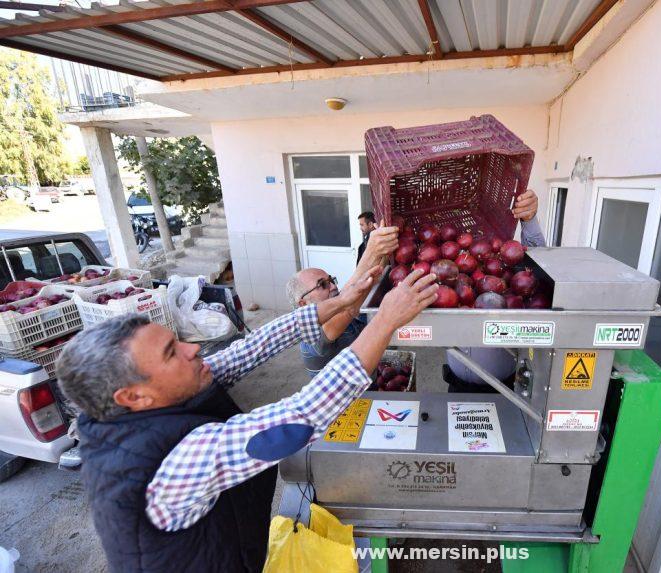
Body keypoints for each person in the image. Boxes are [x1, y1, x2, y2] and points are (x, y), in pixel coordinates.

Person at [56, 267, 438, 573]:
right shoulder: (172, 462)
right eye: (172, 352)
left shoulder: (144, 404)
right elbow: (300, 416)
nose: (193, 349)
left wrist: (343, 301)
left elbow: (254, 346)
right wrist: (384, 321)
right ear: (134, 395)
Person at [444, 188, 546, 392]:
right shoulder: (453, 268)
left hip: (505, 389)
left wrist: (529, 220)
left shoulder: (505, 265)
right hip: (456, 384)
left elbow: (539, 262)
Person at [288, 223, 399, 378]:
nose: (333, 286)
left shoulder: (341, 309)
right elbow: (348, 304)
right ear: (303, 303)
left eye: (331, 280)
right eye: (322, 285)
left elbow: (370, 281)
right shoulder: (309, 336)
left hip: (367, 386)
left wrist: (383, 251)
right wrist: (372, 252)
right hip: (343, 401)